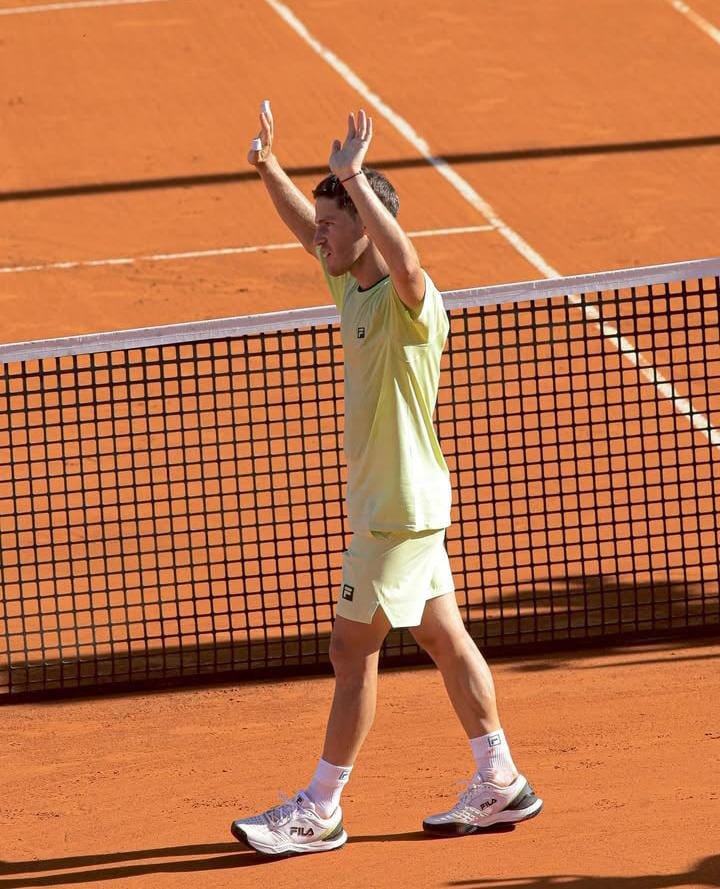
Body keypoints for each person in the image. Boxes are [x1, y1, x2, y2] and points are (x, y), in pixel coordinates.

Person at [230, 102, 542, 857]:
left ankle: (321, 806)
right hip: (403, 506)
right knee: (443, 634)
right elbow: (312, 231)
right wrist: (269, 168)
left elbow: (408, 264)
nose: (321, 233)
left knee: (351, 651)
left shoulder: (411, 304)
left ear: (367, 223)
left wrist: (353, 177)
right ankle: (499, 779)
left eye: (335, 223)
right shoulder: (349, 287)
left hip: (396, 513)